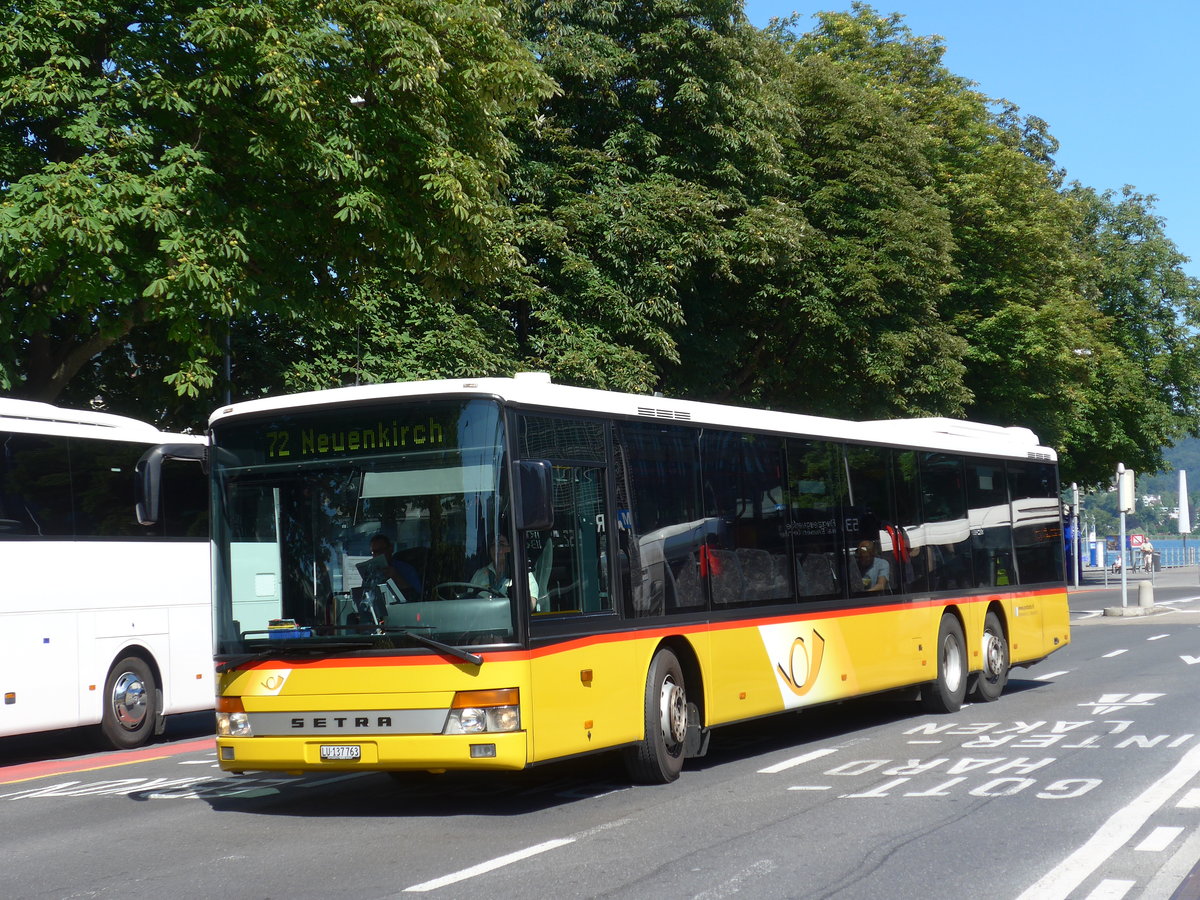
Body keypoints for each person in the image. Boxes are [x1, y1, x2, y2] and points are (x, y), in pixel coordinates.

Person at [472, 533, 541, 611]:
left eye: (501, 544)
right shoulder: (479, 574)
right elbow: (468, 601)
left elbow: (530, 607)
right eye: (493, 545)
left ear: (510, 548)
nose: (497, 548)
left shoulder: (524, 574)